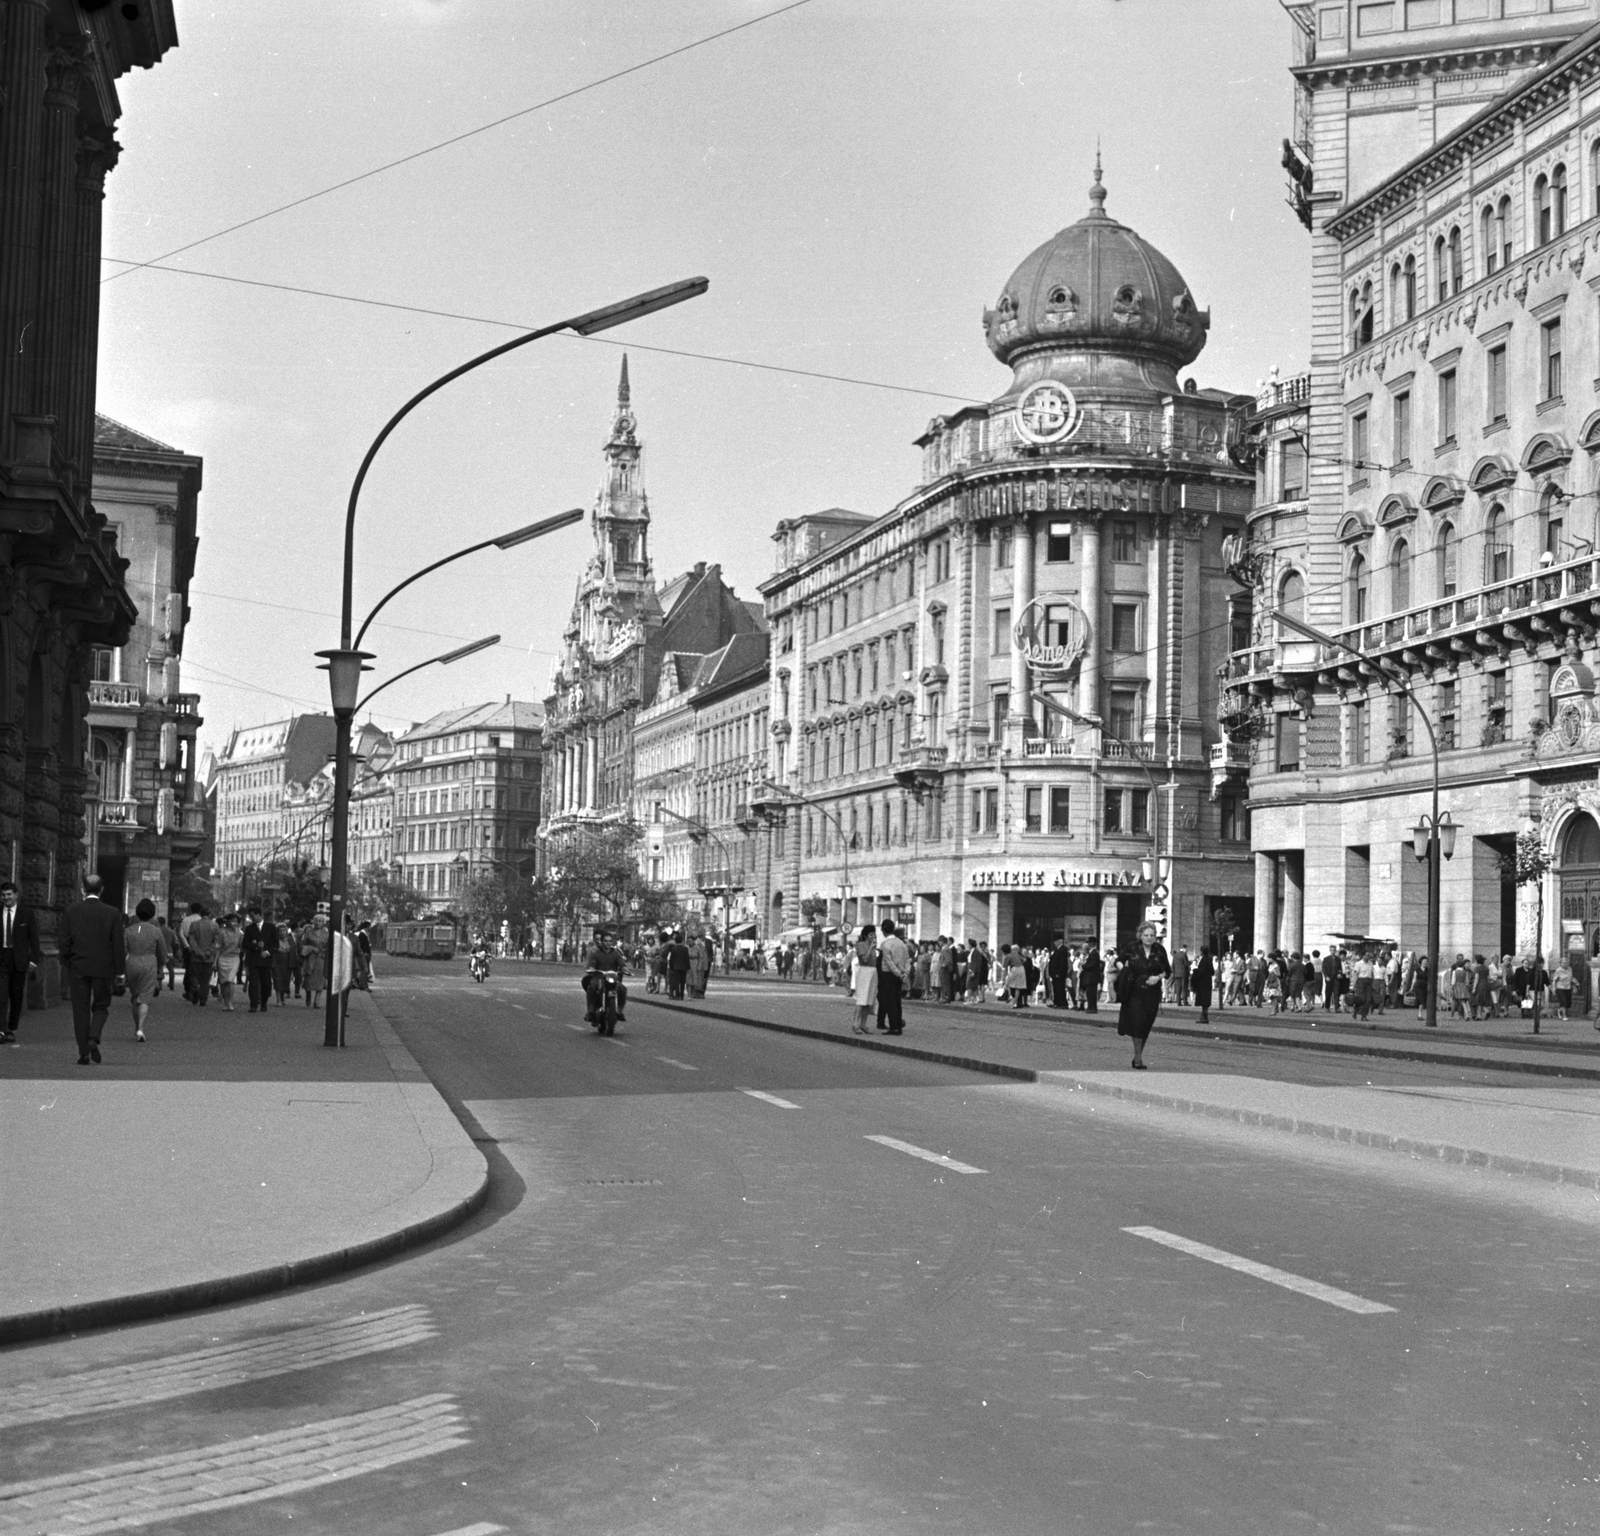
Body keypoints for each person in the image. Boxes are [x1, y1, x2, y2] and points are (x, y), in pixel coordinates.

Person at [58, 873, 126, 1065]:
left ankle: (83, 1053)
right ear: (102, 890)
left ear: (82, 890)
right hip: (103, 969)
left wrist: (66, 961)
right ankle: (93, 1037)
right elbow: (118, 945)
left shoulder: (71, 911)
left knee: (80, 1009)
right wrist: (120, 972)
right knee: (102, 1005)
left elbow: (64, 941)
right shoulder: (112, 913)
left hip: (78, 967)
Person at [1116, 922, 1171, 1070]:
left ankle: (1137, 1055)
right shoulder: (1132, 947)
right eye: (1146, 935)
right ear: (1140, 935)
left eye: (1152, 935)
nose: (1149, 938)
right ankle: (1138, 1058)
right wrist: (1126, 972)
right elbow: (1118, 961)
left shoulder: (1159, 949)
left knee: (1146, 1024)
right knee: (1138, 1022)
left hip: (1152, 993)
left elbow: (1167, 970)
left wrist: (1158, 977)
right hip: (1134, 991)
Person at [0, 880, 42, 1045]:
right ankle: (1, 1030)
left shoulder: (26, 913)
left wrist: (34, 960)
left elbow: (34, 938)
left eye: (9, 895)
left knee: (16, 997)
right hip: (2, 958)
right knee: (1, 996)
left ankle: (11, 1028)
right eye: (3, 895)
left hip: (19, 959)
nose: (6, 898)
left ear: (16, 896)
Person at [122, 898, 169, 1043]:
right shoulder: (156, 931)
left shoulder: (128, 930)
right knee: (145, 998)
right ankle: (140, 1028)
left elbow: (123, 950)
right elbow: (162, 953)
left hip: (132, 962)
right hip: (149, 963)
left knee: (135, 997)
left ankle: (137, 1026)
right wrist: (161, 964)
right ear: (152, 914)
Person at [582, 928, 629, 1022]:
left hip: (612, 978)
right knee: (591, 988)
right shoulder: (596, 953)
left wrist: (625, 969)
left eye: (610, 941)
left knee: (623, 989)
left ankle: (619, 1011)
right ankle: (590, 1011)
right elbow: (592, 964)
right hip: (599, 978)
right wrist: (591, 969)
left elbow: (621, 963)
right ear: (602, 942)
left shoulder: (616, 953)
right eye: (606, 941)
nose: (608, 943)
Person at [876, 918, 910, 1034]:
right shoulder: (902, 944)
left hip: (888, 975)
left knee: (890, 1001)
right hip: (899, 975)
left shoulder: (885, 945)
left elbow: (889, 963)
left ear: (883, 930)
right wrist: (904, 973)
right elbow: (907, 959)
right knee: (897, 1001)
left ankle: (894, 1027)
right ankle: (898, 1026)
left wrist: (899, 974)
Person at [850, 922, 879, 1034]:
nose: (873, 937)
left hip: (872, 972)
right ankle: (855, 1024)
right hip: (864, 971)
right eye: (871, 935)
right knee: (862, 999)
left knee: (869, 1000)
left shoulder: (874, 947)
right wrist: (871, 948)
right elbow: (865, 960)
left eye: (874, 934)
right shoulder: (861, 945)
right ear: (866, 935)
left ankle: (863, 1024)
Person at [215, 914, 242, 1011]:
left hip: (234, 958)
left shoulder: (239, 934)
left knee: (230, 980)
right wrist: (215, 962)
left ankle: (230, 1002)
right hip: (223, 958)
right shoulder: (222, 933)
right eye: (232, 920)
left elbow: (242, 947)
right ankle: (226, 1002)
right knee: (223, 982)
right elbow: (218, 948)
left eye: (236, 921)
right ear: (227, 921)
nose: (234, 923)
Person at [299, 916, 327, 1009]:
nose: (318, 923)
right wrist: (311, 948)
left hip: (321, 958)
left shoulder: (327, 934)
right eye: (316, 921)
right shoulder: (308, 932)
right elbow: (302, 945)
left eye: (320, 921)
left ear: (323, 923)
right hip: (310, 958)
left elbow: (329, 946)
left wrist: (324, 951)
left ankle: (317, 1001)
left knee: (320, 979)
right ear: (313, 922)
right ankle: (308, 995)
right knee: (309, 979)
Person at [273, 921, 296, 1006]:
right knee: (278, 981)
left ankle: (282, 997)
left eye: (283, 930)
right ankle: (278, 999)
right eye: (280, 930)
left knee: (285, 982)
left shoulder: (290, 939)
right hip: (277, 962)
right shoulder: (275, 940)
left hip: (287, 962)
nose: (282, 932)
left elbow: (293, 951)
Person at [1192, 945, 1215, 1024]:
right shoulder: (1209, 959)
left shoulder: (1203, 960)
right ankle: (1204, 1016)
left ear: (1202, 951)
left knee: (1203, 1000)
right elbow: (1212, 971)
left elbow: (1201, 971)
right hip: (1208, 982)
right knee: (1206, 1000)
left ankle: (1204, 1017)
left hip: (1202, 983)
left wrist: (1195, 971)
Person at [665, 932, 691, 1000]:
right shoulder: (685, 949)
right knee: (683, 982)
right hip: (683, 967)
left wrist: (671, 967)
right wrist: (688, 967)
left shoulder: (673, 949)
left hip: (675, 967)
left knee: (676, 981)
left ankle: (677, 994)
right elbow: (687, 958)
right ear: (682, 941)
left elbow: (671, 959)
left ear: (675, 941)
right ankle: (682, 995)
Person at [1080, 946, 1103, 1012]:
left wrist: (1084, 966)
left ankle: (1092, 1008)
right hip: (1091, 977)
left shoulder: (1094, 953)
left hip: (1091, 977)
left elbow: (1092, 965)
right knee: (1090, 993)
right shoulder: (1093, 953)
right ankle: (1091, 1007)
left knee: (1091, 993)